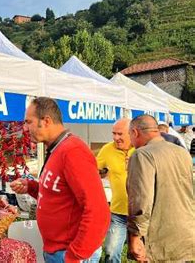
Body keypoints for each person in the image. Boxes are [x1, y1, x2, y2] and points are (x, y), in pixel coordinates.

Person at [10, 97, 110, 262]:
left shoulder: (73, 152)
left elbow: (98, 211)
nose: (25, 128)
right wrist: (31, 187)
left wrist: (74, 255)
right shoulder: (57, 149)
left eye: (29, 122)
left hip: (68, 253)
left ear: (46, 121)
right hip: (56, 251)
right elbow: (57, 194)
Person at [127, 115, 194, 261]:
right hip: (184, 233)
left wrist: (135, 236)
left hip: (158, 237)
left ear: (135, 132)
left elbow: (141, 201)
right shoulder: (182, 153)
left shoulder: (142, 155)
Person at [96, 118, 134, 263]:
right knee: (111, 252)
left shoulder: (142, 149)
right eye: (114, 134)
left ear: (132, 133)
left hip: (143, 213)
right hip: (119, 212)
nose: (116, 138)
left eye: (120, 134)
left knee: (145, 253)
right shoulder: (107, 149)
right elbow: (95, 169)